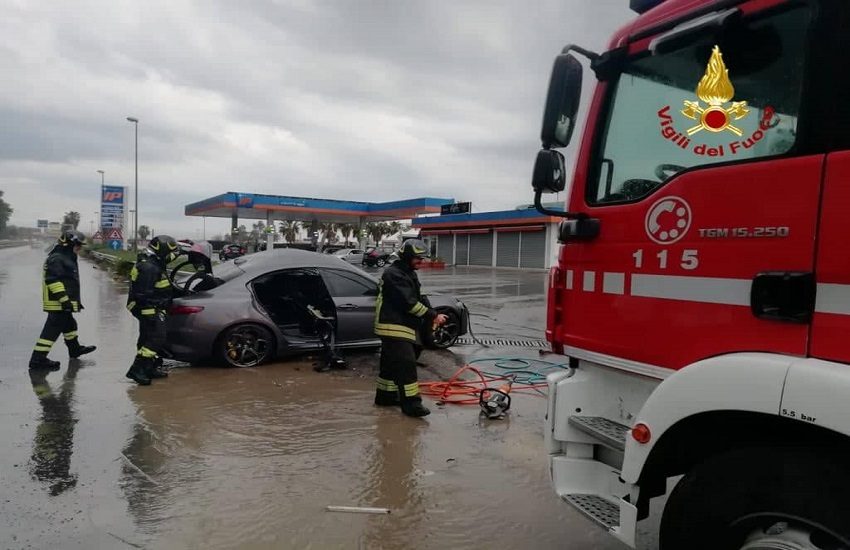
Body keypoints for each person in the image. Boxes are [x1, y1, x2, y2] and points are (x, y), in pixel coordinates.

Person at [373, 239, 446, 417]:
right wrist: (433, 315)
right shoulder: (394, 274)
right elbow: (409, 303)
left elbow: (417, 298)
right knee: (406, 365)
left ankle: (386, 396)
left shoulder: (406, 273)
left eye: (422, 259)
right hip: (394, 326)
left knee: (390, 365)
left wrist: (431, 313)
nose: (421, 262)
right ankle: (412, 405)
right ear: (406, 257)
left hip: (399, 325)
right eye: (417, 259)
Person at [29, 230, 96, 370]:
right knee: (51, 332)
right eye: (78, 245)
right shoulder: (58, 258)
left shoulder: (65, 257)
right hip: (57, 303)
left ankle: (75, 349)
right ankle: (38, 360)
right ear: (68, 244)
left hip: (62, 302)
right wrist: (65, 300)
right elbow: (52, 280)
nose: (80, 248)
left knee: (70, 325)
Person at [125, 235, 180, 385]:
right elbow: (143, 295)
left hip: (148, 307)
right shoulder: (149, 268)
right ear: (162, 251)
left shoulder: (152, 260)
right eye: (170, 252)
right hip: (148, 308)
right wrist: (156, 307)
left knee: (146, 338)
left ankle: (148, 369)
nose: (171, 255)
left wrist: (182, 250)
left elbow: (168, 258)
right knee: (157, 338)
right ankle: (137, 370)